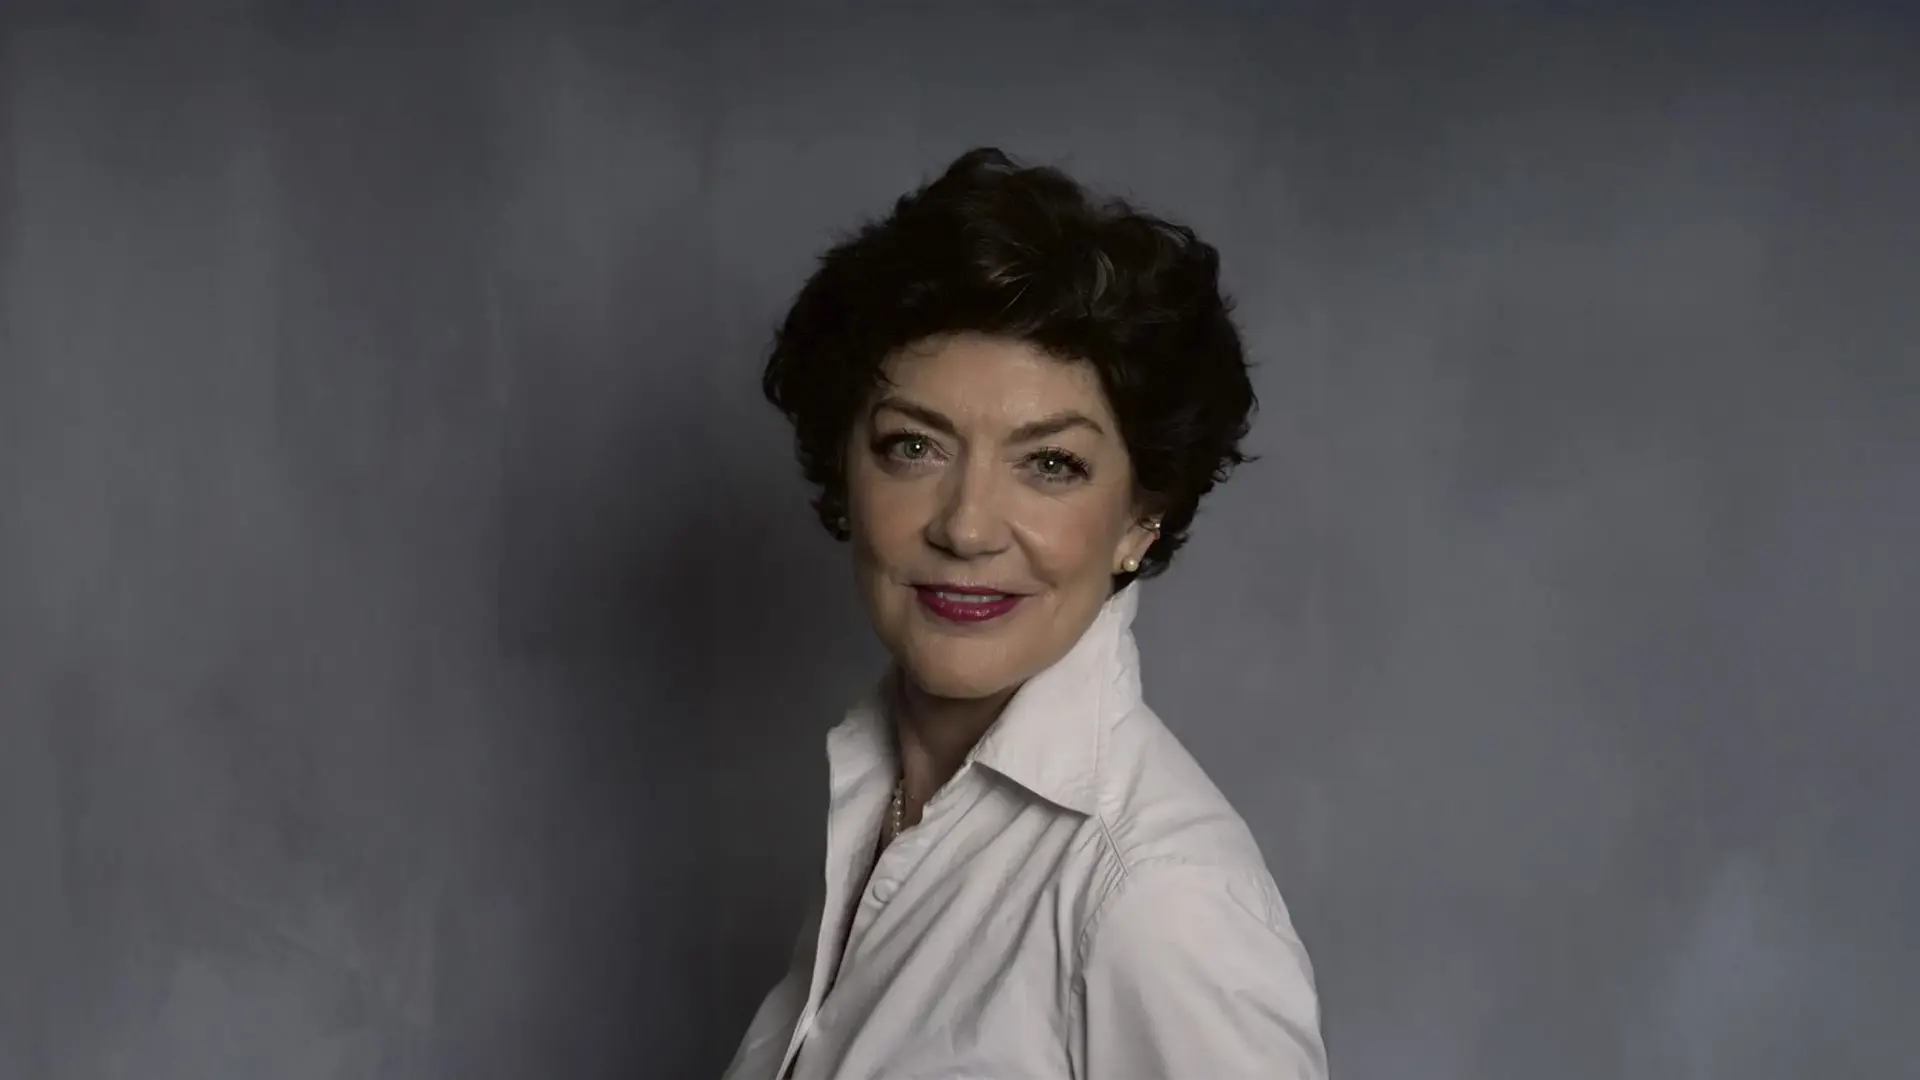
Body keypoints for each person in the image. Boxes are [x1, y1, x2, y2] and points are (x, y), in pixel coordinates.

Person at [720, 147, 1329, 1080]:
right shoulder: (881, 804)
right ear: (845, 467)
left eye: (1051, 464)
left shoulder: (1155, 899)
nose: (966, 526)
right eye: (913, 446)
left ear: (1142, 516)